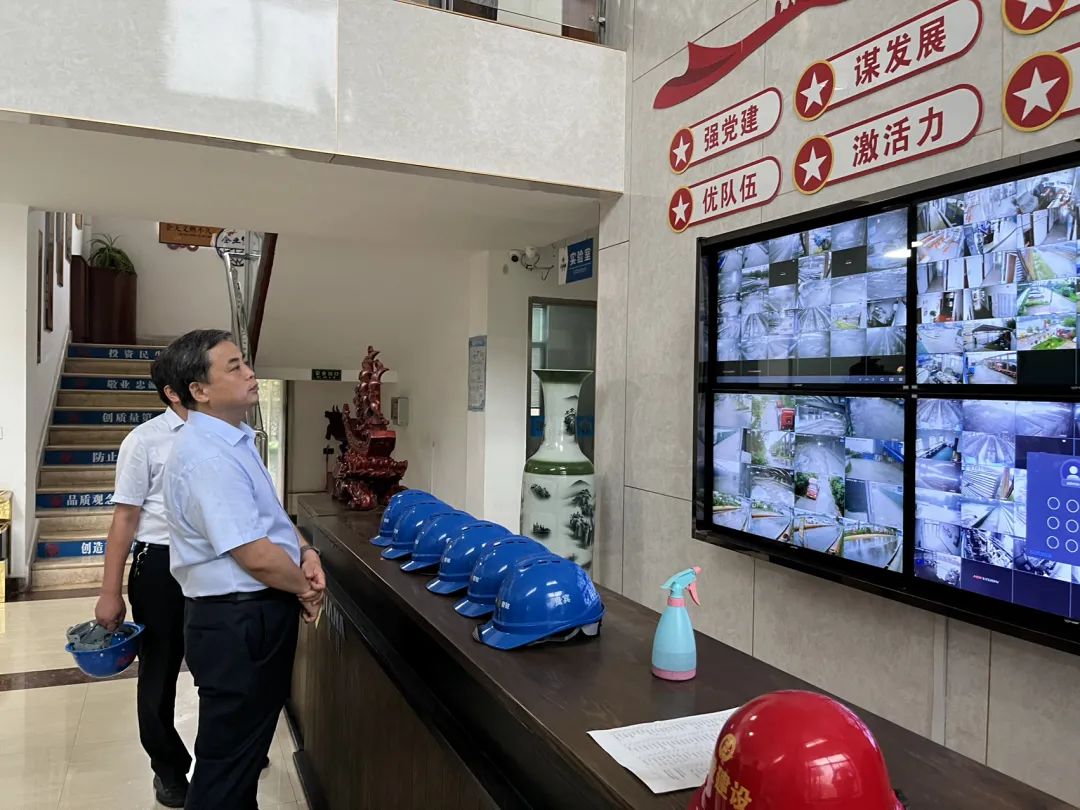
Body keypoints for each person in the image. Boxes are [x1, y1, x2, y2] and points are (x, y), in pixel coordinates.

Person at [162, 329, 324, 809]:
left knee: (242, 760)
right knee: (226, 770)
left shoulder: (234, 441)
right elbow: (253, 553)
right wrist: (305, 589)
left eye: (245, 363)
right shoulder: (208, 455)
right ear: (199, 390)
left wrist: (306, 552)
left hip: (250, 614)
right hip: (238, 620)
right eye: (234, 367)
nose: (251, 373)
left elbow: (267, 517)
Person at [94, 350, 192, 808]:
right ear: (173, 391)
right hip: (160, 567)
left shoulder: (229, 435)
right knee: (160, 670)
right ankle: (168, 769)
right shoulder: (145, 441)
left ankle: (223, 752)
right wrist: (109, 592)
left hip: (216, 563)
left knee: (221, 664)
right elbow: (125, 519)